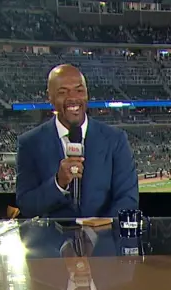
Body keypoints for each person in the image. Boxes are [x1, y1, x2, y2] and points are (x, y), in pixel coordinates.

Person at [15, 65, 138, 218]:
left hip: (102, 232)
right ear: (50, 97)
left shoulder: (115, 139)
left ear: (87, 94)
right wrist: (58, 183)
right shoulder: (30, 143)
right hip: (53, 233)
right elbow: (26, 205)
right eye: (63, 92)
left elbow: (128, 198)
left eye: (79, 91)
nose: (73, 98)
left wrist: (100, 227)